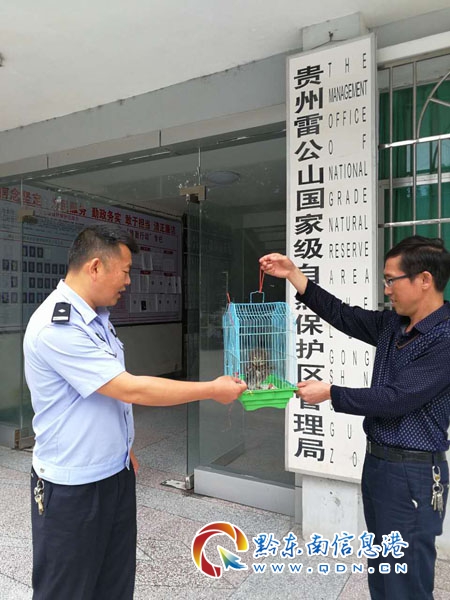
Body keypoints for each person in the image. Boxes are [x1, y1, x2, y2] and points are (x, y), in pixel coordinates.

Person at [23, 225, 247, 600]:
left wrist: (122, 448)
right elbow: (130, 388)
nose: (129, 281)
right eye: (125, 271)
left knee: (114, 585)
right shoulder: (57, 326)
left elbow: (101, 399)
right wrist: (211, 389)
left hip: (115, 474)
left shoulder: (97, 317)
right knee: (66, 590)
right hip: (73, 490)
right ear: (95, 267)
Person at [260, 236, 450, 600]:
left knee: (406, 579)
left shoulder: (444, 338)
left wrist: (330, 392)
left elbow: (396, 399)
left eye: (391, 280)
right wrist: (294, 274)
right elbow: (342, 314)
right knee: (382, 569)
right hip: (378, 464)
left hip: (413, 473)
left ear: (424, 280)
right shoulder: (393, 325)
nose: (386, 289)